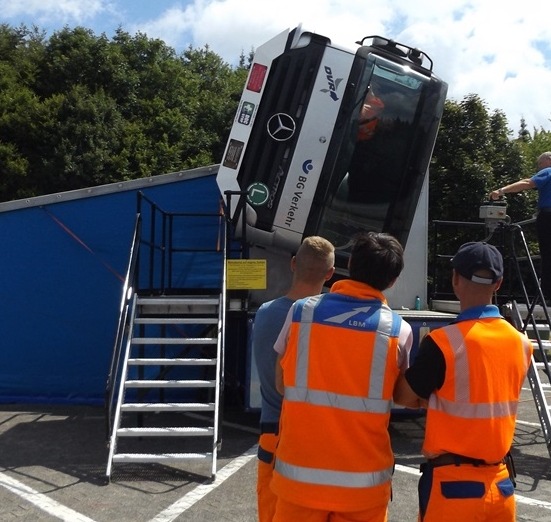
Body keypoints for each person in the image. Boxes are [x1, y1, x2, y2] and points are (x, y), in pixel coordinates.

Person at [271, 231, 413, 522]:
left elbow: (281, 384)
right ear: (392, 280)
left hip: (299, 481)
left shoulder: (301, 313)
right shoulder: (399, 331)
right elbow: (404, 396)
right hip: (364, 487)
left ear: (350, 265)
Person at [393, 241, 533, 522]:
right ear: (499, 283)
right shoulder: (521, 343)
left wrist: (428, 397)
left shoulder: (443, 342)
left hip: (452, 488)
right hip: (502, 486)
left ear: (455, 279)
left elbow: (403, 397)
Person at [252, 236, 335, 522]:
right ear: (330, 274)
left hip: (273, 435)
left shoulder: (264, 314)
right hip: (317, 439)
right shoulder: (331, 322)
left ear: (293, 264)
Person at [489, 151, 551, 300]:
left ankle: (547, 295)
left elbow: (527, 183)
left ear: (548, 160)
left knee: (548, 255)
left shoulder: (548, 171)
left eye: (539, 164)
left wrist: (501, 191)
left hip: (548, 216)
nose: (538, 168)